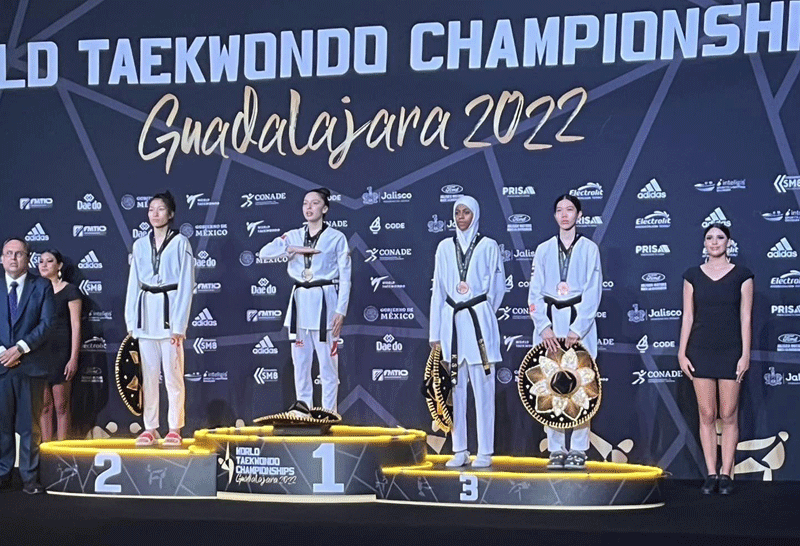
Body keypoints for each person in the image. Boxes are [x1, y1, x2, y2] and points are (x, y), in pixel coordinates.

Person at [258, 188, 351, 412]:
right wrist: (291, 249)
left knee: (327, 365)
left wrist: (341, 310)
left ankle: (329, 412)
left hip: (325, 302)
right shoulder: (292, 235)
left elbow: (346, 277)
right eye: (305, 203)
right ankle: (304, 409)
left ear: (325, 208)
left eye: (315, 203)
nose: (309, 207)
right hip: (300, 302)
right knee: (300, 363)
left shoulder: (336, 237)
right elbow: (264, 253)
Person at [528, 194, 602, 470]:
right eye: (559, 210)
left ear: (579, 215)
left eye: (570, 210)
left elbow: (594, 291)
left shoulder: (589, 249)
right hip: (550, 322)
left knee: (581, 385)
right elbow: (534, 291)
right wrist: (543, 326)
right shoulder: (544, 249)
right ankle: (556, 448)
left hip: (579, 322)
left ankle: (579, 448)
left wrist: (578, 328)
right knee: (550, 386)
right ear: (554, 216)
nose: (564, 215)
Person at [429, 196, 505, 468]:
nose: (461, 217)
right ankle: (459, 448)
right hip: (451, 321)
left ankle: (485, 451)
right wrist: (435, 332)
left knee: (484, 390)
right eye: (457, 212)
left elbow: (498, 287)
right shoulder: (444, 247)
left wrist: (483, 310)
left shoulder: (488, 245)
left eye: (466, 212)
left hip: (478, 320)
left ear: (476, 215)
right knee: (455, 389)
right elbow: (438, 290)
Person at [678, 223, 753, 495]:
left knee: (729, 413)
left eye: (720, 237)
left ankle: (726, 473)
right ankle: (711, 473)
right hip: (700, 349)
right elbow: (688, 316)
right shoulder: (692, 275)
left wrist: (745, 354)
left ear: (728, 242)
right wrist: (682, 351)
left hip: (731, 350)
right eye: (709, 237)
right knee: (707, 413)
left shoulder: (743, 276)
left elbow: (746, 317)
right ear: (704, 243)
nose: (714, 242)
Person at [125, 191, 194, 447]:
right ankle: (150, 427)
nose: (155, 213)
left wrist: (179, 325)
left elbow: (186, 285)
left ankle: (174, 427)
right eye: (151, 209)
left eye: (161, 209)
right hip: (146, 319)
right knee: (149, 376)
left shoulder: (181, 243)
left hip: (169, 318)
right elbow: (133, 284)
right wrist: (131, 321)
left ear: (171, 213)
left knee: (173, 376)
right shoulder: (139, 245)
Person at [0, 237, 54, 494]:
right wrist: (3, 353)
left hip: (31, 366)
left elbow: (47, 324)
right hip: (1, 366)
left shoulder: (42, 286)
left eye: (19, 254)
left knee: (30, 427)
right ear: (2, 258)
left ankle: (30, 478)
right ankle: (3, 474)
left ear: (27, 259)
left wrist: (20, 348)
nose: (13, 258)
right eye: (9, 253)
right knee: (2, 425)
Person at [38, 250, 81, 441]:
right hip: (39, 354)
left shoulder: (70, 291)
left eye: (49, 261)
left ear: (59, 266)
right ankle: (47, 451)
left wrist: (73, 358)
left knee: (61, 405)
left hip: (61, 353)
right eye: (41, 261)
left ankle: (62, 453)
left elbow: (76, 326)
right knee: (44, 406)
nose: (44, 265)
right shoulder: (35, 291)